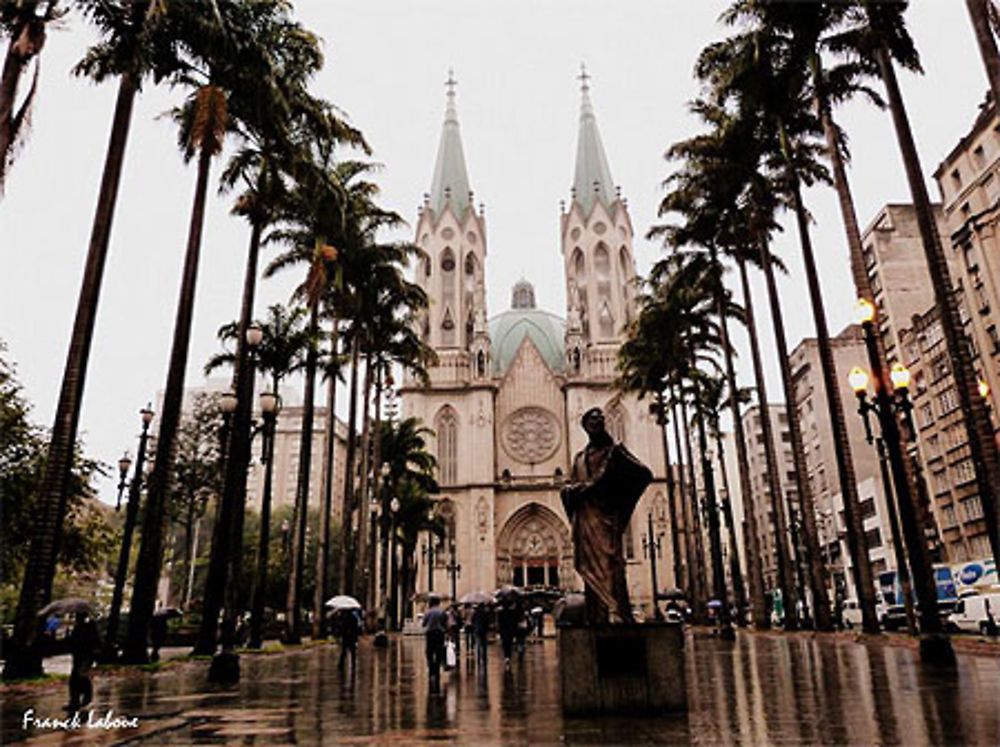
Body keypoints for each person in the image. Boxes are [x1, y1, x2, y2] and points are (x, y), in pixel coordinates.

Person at [560, 407, 652, 624]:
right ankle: (597, 617)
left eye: (600, 420)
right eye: (592, 421)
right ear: (585, 426)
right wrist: (571, 490)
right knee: (589, 571)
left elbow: (643, 474)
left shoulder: (615, 452)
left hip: (606, 519)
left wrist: (610, 490)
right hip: (586, 520)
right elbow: (572, 484)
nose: (597, 424)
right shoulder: (579, 458)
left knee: (612, 566)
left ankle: (618, 613)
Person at [66, 610, 100, 712]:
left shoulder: (89, 626)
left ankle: (85, 699)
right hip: (78, 655)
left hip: (86, 656)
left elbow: (93, 642)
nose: (76, 618)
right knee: (75, 678)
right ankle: (75, 701)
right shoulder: (79, 627)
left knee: (81, 676)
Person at [422, 595, 449, 689]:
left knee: (429, 652)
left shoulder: (428, 612)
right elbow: (446, 624)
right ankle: (437, 670)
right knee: (439, 652)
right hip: (440, 634)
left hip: (430, 634)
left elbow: (424, 624)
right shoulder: (442, 612)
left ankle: (431, 669)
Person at [497, 601, 519, 669]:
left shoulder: (500, 613)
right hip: (510, 631)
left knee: (505, 644)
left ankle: (506, 656)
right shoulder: (512, 613)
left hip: (503, 631)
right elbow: (514, 623)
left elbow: (499, 624)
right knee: (509, 644)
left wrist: (498, 632)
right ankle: (508, 656)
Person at [472, 603, 490, 669]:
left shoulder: (475, 613)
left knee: (478, 644)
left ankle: (478, 658)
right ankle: (484, 657)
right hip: (483, 630)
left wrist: (475, 626)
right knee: (484, 645)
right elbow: (487, 621)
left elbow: (472, 620)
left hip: (477, 630)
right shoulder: (485, 613)